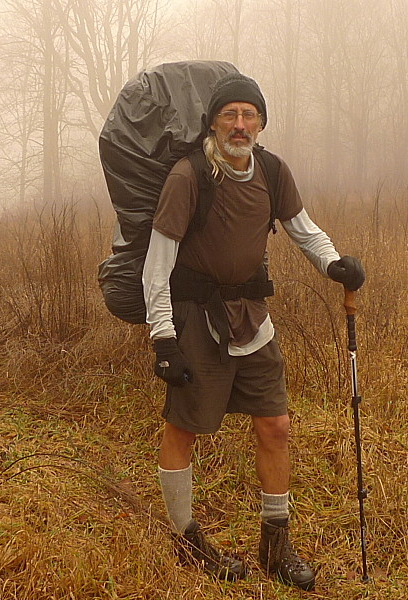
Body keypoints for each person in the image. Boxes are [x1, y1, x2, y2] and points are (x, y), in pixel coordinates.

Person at [143, 72, 365, 591]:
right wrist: (164, 337)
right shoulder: (188, 176)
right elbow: (157, 265)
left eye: (249, 115)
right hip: (195, 318)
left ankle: (275, 541)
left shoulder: (271, 170)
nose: (240, 125)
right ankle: (184, 537)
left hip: (253, 318)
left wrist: (334, 265)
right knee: (185, 427)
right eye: (230, 115)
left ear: (261, 122)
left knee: (276, 426)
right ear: (214, 121)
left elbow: (302, 229)